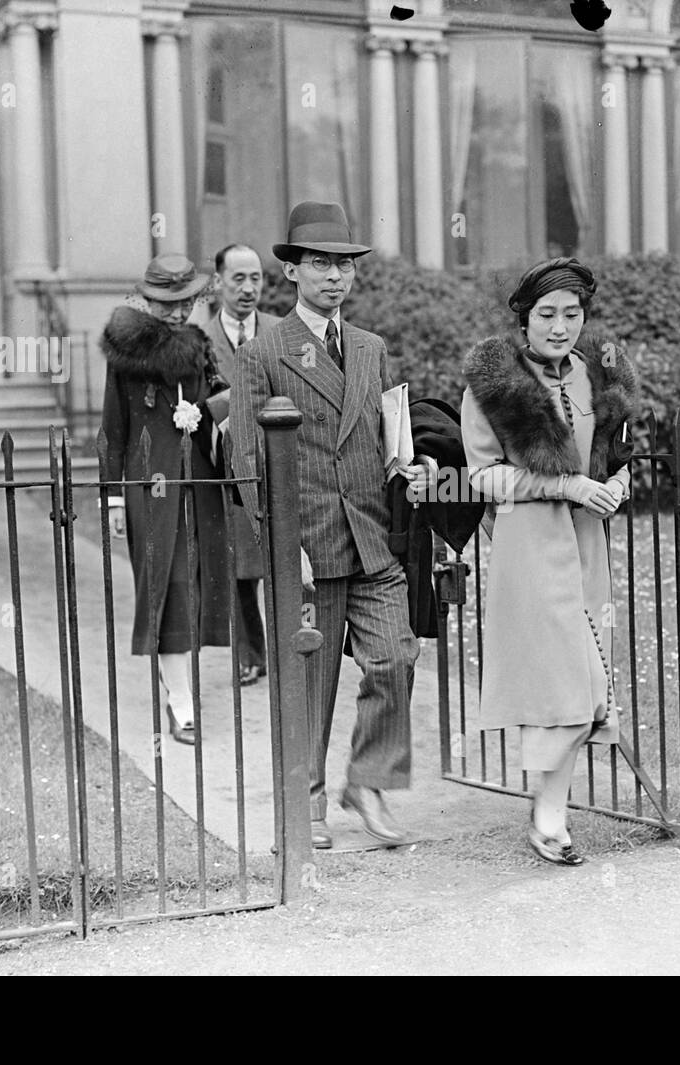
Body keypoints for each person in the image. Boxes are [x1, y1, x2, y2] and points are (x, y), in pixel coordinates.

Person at [230, 201, 434, 849]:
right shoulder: (265, 351)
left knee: (397, 655)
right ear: (291, 272)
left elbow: (387, 436)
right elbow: (245, 463)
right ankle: (306, 802)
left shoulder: (371, 349)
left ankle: (368, 781)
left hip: (372, 539)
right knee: (310, 684)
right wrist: (285, 549)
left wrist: (413, 469)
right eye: (319, 263)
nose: (334, 277)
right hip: (309, 545)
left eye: (344, 264)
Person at [460, 257, 639, 865]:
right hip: (529, 551)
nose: (560, 327)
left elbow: (615, 457)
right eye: (546, 315)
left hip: (587, 548)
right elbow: (484, 479)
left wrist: (617, 484)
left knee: (585, 688)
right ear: (524, 318)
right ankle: (549, 819)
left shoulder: (600, 378)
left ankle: (548, 817)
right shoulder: (493, 385)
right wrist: (565, 486)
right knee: (561, 682)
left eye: (572, 314)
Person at [100, 253, 235, 744]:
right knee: (168, 585)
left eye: (186, 302)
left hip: (197, 481)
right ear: (148, 299)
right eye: (167, 303)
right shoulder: (125, 353)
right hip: (149, 487)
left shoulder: (198, 347)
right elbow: (112, 429)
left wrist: (210, 411)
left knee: (198, 582)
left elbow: (219, 402)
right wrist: (113, 498)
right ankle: (181, 702)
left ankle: (181, 686)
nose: (179, 313)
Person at [195, 243, 281, 686]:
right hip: (224, 469)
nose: (249, 289)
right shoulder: (199, 340)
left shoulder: (282, 331)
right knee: (240, 566)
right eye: (238, 279)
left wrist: (230, 402)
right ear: (218, 283)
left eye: (256, 279)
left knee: (283, 561)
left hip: (279, 465)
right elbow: (193, 408)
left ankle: (290, 651)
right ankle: (251, 654)